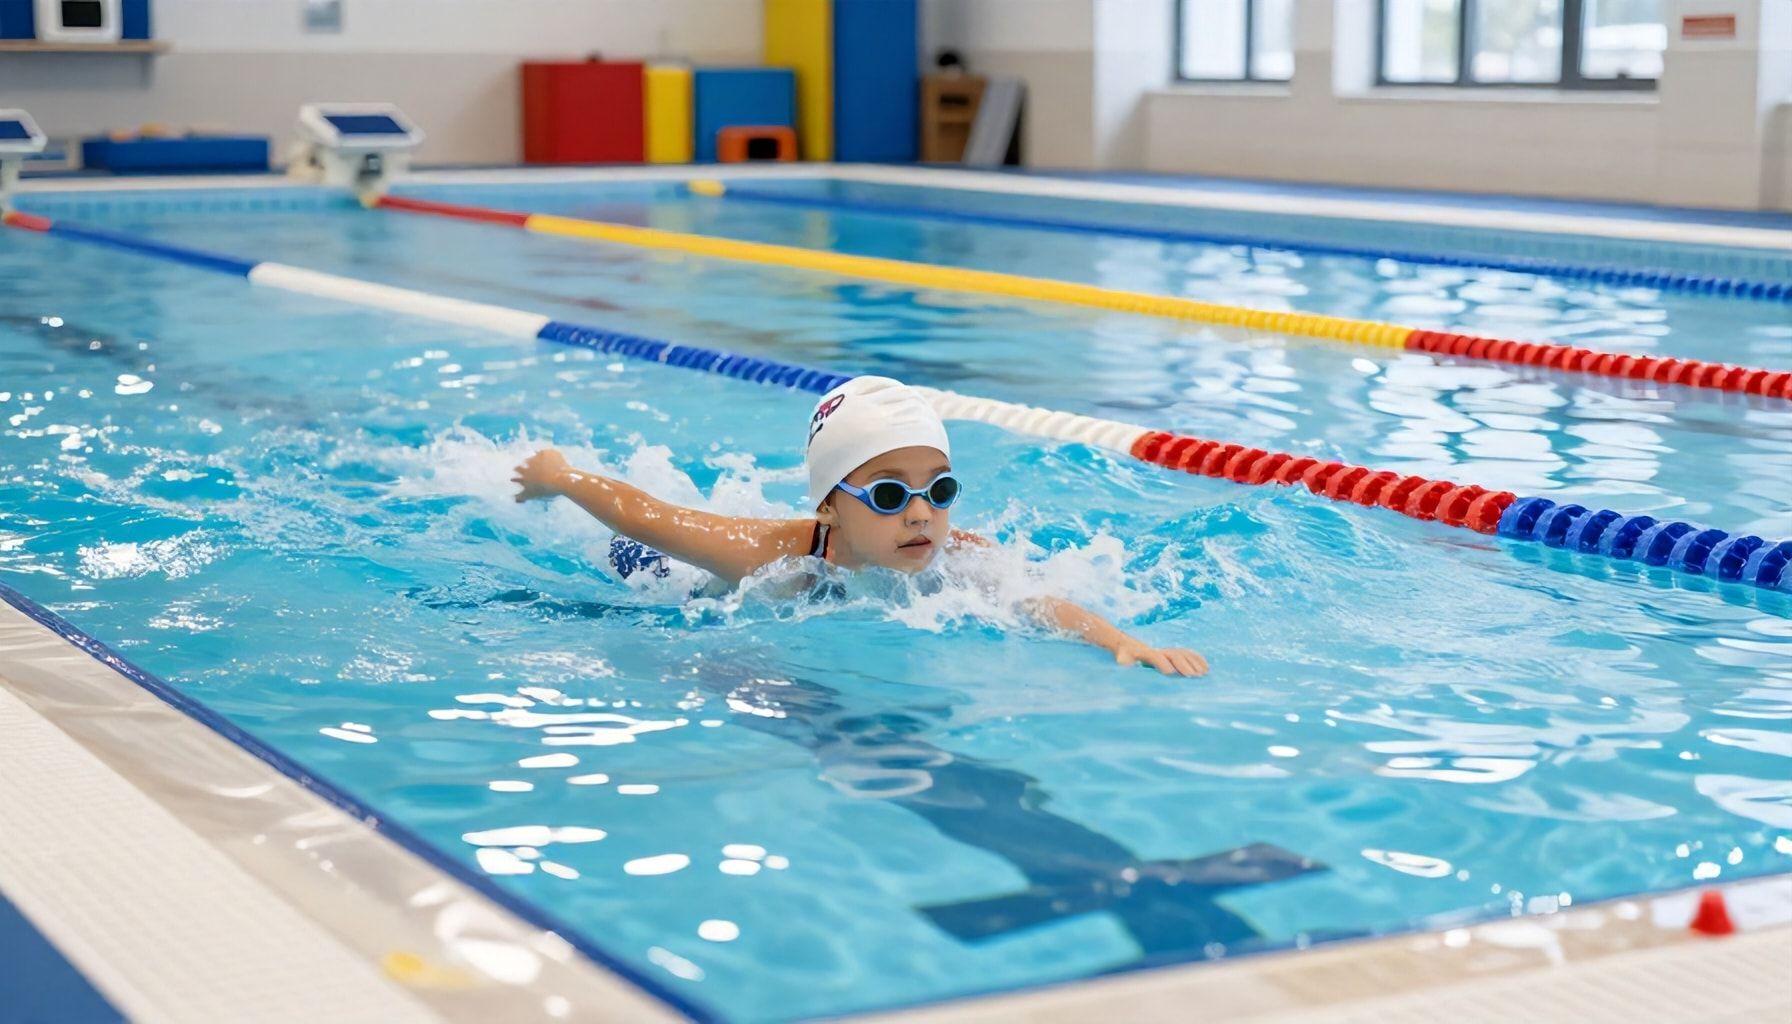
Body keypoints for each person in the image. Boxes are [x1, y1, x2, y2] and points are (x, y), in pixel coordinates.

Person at [512, 376, 1207, 676]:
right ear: (828, 506)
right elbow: (651, 516)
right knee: (641, 554)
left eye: (939, 490)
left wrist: (1121, 641)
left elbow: (1037, 602)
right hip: (657, 573)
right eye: (887, 493)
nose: (919, 514)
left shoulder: (958, 555)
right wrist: (560, 479)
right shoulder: (764, 558)